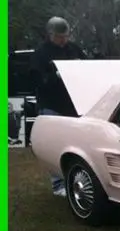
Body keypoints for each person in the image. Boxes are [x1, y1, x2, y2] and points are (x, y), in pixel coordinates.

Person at [30, 16, 87, 197]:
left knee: (75, 145)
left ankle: (75, 178)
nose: (63, 40)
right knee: (55, 145)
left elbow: (88, 67)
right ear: (50, 35)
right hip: (51, 105)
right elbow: (36, 80)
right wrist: (55, 75)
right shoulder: (41, 54)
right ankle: (57, 184)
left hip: (73, 104)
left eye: (66, 36)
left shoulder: (74, 49)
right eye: (59, 37)